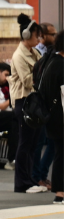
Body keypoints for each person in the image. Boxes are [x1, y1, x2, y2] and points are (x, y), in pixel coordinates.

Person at [8, 14, 43, 193]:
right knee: (25, 142)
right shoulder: (19, 55)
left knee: (33, 142)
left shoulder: (34, 52)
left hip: (33, 101)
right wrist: (41, 70)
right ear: (27, 35)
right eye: (37, 35)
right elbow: (28, 81)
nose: (39, 39)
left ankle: (29, 179)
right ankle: (22, 183)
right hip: (23, 100)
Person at [36, 30, 63, 204]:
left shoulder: (49, 62)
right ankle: (60, 192)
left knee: (59, 152)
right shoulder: (61, 65)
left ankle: (60, 191)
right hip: (61, 116)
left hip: (52, 116)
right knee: (61, 154)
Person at [32, 24, 57, 189]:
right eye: (52, 34)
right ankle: (37, 175)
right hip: (42, 103)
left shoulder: (49, 54)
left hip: (47, 103)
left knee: (51, 142)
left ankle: (41, 174)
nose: (54, 38)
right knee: (41, 142)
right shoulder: (40, 53)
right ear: (43, 35)